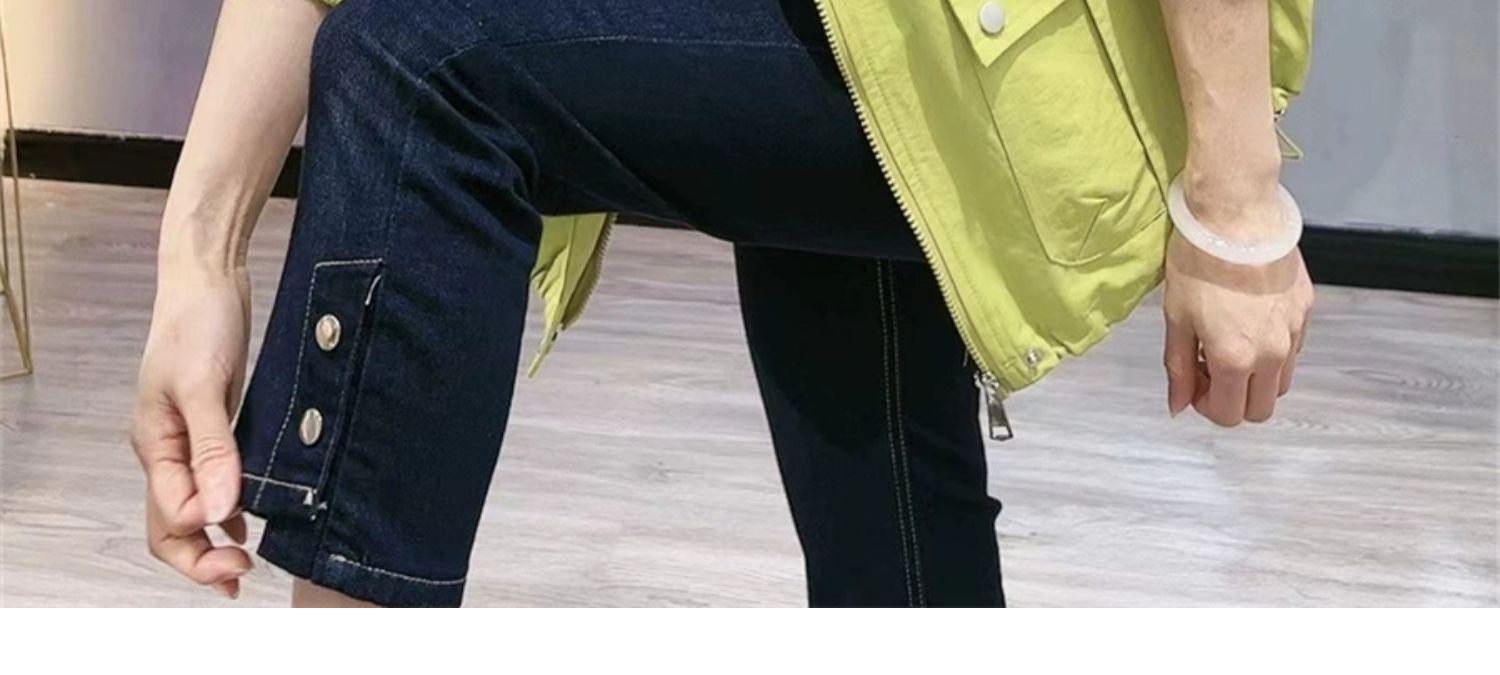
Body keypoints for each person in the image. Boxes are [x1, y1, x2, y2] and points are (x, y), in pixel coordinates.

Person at [130, 0, 1316, 607]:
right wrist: (197, 262)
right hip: (852, 35)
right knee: (887, 533)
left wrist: (1238, 201)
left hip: (1031, 53)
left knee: (422, 70)